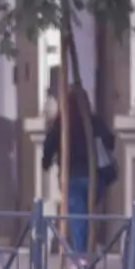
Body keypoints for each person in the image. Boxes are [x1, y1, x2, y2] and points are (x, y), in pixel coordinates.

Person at [41, 82, 117, 257]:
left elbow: (49, 147)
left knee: (78, 216)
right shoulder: (93, 121)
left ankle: (82, 254)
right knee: (88, 213)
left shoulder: (62, 124)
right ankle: (88, 249)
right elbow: (110, 141)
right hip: (95, 176)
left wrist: (46, 163)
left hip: (72, 176)